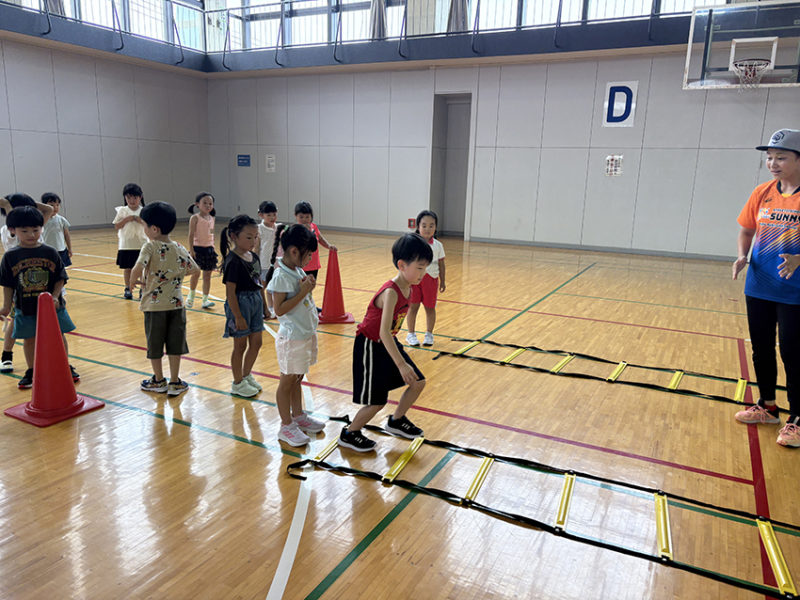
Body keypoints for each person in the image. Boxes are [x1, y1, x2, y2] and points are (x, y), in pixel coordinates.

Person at [733, 128, 800, 448]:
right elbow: (747, 229)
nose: (772, 163)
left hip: (794, 291)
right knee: (761, 348)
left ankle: (797, 419)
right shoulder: (762, 192)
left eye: (781, 158)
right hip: (759, 285)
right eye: (770, 158)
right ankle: (768, 407)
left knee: (793, 353)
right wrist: (742, 256)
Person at [339, 233, 433, 452]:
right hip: (371, 344)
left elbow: (389, 332)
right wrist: (401, 364)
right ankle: (350, 433)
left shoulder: (410, 286)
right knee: (377, 402)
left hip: (387, 341)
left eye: (425, 268)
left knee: (418, 382)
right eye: (420, 268)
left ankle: (396, 420)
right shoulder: (391, 292)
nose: (423, 273)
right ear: (402, 265)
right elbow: (383, 331)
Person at [0, 206, 79, 389]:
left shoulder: (50, 252)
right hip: (25, 307)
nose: (31, 235)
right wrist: (6, 306)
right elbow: (8, 284)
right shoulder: (10, 256)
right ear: (13, 230)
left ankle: (64, 365)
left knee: (59, 336)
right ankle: (32, 370)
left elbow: (60, 278)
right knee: (29, 339)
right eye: (24, 231)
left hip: (53, 308)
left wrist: (55, 296)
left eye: (36, 230)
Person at [131, 202, 199, 397]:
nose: (144, 230)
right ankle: (175, 381)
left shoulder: (150, 246)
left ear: (154, 229)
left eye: (145, 226)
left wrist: (132, 281)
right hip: (176, 305)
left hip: (154, 307)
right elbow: (195, 269)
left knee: (155, 345)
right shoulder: (179, 247)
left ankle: (159, 380)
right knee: (175, 345)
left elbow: (138, 266)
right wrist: (173, 275)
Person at [267, 224, 326, 446]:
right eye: (308, 254)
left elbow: (301, 297)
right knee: (287, 381)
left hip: (303, 334)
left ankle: (298, 415)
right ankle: (286, 425)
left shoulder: (296, 269)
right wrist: (303, 291)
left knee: (298, 377)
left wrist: (307, 287)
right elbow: (279, 309)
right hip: (292, 338)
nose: (310, 259)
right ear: (293, 251)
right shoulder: (281, 275)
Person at [0, 194, 54, 374]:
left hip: (42, 283)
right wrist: (7, 204)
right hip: (21, 285)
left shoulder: (33, 228)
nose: (30, 233)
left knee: (49, 323)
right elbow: (14, 219)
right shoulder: (10, 230)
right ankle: (6, 355)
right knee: (16, 322)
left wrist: (28, 203)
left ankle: (53, 359)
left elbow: (48, 209)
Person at [220, 215, 266, 398]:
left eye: (255, 237)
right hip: (240, 304)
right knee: (240, 346)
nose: (253, 241)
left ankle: (246, 375)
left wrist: (265, 306)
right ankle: (237, 383)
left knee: (257, 342)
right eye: (248, 237)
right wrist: (238, 316)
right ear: (234, 236)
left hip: (255, 302)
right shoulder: (233, 261)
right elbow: (230, 292)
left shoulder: (253, 257)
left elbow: (258, 283)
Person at [405, 210, 446, 347]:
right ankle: (411, 334)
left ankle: (429, 334)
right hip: (414, 281)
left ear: (436, 227)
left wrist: (443, 281)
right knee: (413, 307)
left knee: (430, 307)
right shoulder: (412, 244)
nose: (427, 229)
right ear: (418, 226)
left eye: (431, 225)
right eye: (424, 225)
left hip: (431, 280)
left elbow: (441, 264)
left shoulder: (438, 246)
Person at [294, 202, 337, 309]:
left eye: (307, 217)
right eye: (301, 217)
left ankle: (309, 306)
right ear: (296, 216)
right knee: (301, 288)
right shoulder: (296, 230)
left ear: (311, 217)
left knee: (310, 287)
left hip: (313, 265)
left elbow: (320, 239)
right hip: (301, 266)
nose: (304, 219)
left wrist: (329, 246)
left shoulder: (314, 227)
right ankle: (300, 307)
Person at [112, 183, 147, 300]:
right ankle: (128, 288)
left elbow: (148, 225)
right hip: (126, 245)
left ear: (140, 197)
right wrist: (127, 219)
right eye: (128, 197)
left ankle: (143, 289)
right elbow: (117, 226)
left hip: (141, 244)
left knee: (141, 268)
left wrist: (138, 219)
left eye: (135, 197)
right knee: (127, 268)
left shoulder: (144, 211)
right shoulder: (122, 210)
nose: (132, 200)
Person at [187, 192, 218, 309]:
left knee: (207, 276)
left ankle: (205, 299)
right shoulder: (195, 218)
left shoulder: (212, 218)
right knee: (196, 273)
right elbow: (190, 235)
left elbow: (211, 234)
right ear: (197, 204)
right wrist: (191, 250)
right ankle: (191, 297)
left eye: (210, 203)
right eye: (205, 203)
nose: (208, 205)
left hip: (209, 249)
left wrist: (213, 247)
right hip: (197, 249)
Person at [257, 200, 279, 319]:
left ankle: (272, 308)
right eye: (269, 215)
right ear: (261, 215)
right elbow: (256, 248)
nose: (272, 217)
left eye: (274, 214)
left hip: (276, 265)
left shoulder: (278, 227)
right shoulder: (259, 229)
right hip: (264, 264)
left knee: (273, 288)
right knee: (262, 288)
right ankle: (261, 309)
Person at [41, 193, 73, 268]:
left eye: (57, 205)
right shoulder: (41, 219)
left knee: (61, 269)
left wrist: (69, 248)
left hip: (61, 249)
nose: (55, 207)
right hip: (46, 250)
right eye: (51, 205)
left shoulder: (61, 219)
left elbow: (66, 235)